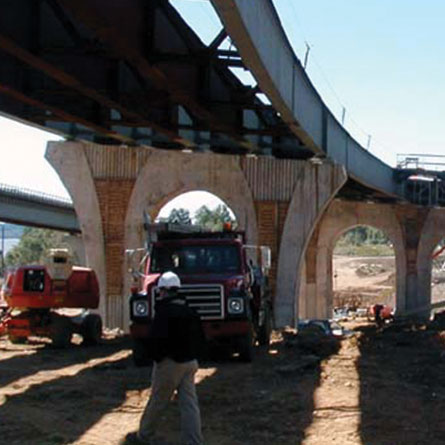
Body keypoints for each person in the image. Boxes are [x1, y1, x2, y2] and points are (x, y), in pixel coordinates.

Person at [123, 271, 205, 445]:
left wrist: (156, 357)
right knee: (189, 404)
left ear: (163, 291)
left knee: (158, 400)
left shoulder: (164, 312)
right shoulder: (189, 310)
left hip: (170, 364)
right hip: (190, 362)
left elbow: (156, 339)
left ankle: (144, 435)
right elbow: (200, 337)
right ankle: (194, 440)